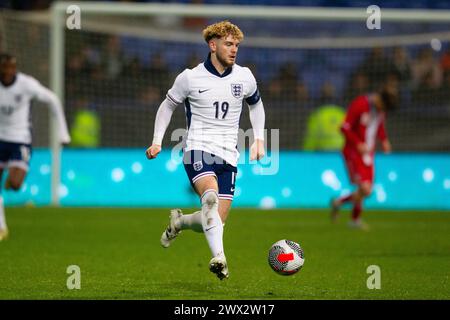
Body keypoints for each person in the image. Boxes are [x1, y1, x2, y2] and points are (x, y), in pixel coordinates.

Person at [145, 21, 265, 280]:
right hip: (198, 149)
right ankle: (220, 259)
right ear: (213, 45)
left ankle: (180, 222)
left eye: (236, 45)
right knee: (209, 199)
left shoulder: (244, 76)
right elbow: (167, 107)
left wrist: (259, 139)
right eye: (228, 44)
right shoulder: (190, 77)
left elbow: (256, 105)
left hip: (229, 156)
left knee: (215, 221)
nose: (234, 50)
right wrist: (157, 141)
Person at [0, 53, 71, 240]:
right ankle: (2, 228)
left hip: (20, 139)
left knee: (15, 184)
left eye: (12, 67)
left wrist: (63, 132)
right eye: (5, 67)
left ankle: (9, 183)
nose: (8, 71)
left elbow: (53, 100)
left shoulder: (26, 84)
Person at [330, 75, 399, 230]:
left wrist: (385, 140)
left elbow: (379, 126)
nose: (383, 111)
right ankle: (353, 218)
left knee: (364, 189)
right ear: (380, 100)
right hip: (353, 152)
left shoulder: (380, 110)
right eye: (383, 108)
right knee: (366, 189)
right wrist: (358, 143)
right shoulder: (360, 104)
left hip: (368, 153)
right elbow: (344, 127)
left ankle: (340, 204)